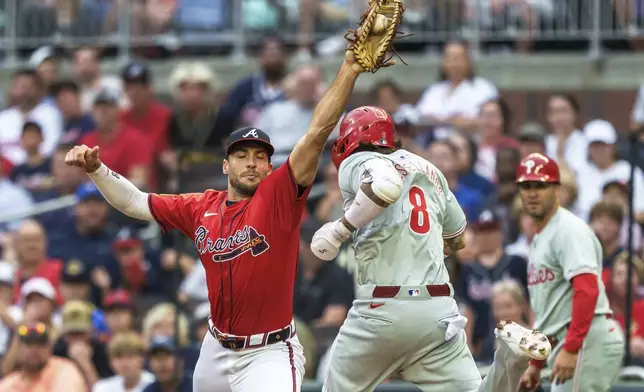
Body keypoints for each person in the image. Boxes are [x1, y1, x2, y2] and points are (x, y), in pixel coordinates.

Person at [64, 47, 367, 391]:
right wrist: (97, 170)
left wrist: (350, 68)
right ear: (226, 165)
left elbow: (315, 133)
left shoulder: (279, 197)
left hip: (267, 353)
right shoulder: (200, 207)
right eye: (241, 155)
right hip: (215, 347)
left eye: (259, 156)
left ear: (270, 167)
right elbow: (135, 202)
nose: (251, 162)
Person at [310, 106, 551, 392]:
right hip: (436, 311)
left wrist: (339, 230)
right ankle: (511, 361)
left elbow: (385, 185)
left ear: (351, 138)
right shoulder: (428, 168)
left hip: (381, 309)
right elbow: (459, 238)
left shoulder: (358, 158)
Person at [515, 153, 625, 392]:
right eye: (526, 186)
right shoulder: (541, 237)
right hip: (568, 340)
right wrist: (536, 362)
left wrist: (573, 347)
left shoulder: (568, 229)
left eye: (541, 185)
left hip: (586, 339)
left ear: (557, 189)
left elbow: (587, 289)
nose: (532, 193)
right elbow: (551, 311)